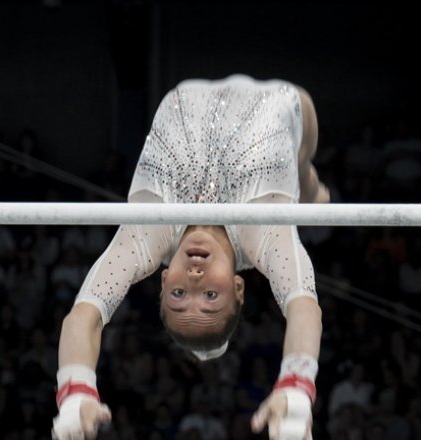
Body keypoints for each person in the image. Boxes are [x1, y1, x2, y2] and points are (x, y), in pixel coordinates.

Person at [52, 74, 327, 440]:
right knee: (304, 168)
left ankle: (308, 188)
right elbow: (303, 307)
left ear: (163, 282)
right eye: (211, 297)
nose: (194, 278)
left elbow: (84, 316)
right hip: (284, 100)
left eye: (179, 296)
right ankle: (307, 183)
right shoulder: (263, 233)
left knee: (305, 191)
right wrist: (295, 386)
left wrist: (76, 391)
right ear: (238, 287)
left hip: (187, 91)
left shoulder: (148, 235)